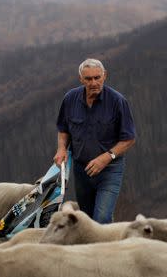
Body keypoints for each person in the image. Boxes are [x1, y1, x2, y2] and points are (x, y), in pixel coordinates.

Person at [54, 58, 136, 224]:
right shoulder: (70, 99)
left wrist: (106, 157)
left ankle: (107, 250)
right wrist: (61, 148)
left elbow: (129, 138)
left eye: (97, 77)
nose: (93, 82)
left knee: (102, 218)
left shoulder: (117, 101)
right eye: (88, 79)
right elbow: (63, 129)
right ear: (81, 79)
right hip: (81, 170)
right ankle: (91, 250)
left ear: (105, 76)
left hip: (110, 170)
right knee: (87, 220)